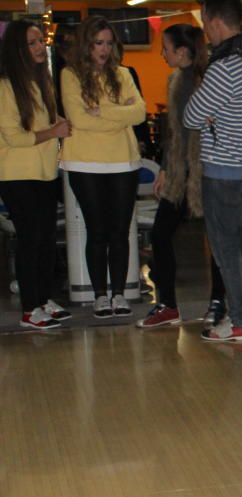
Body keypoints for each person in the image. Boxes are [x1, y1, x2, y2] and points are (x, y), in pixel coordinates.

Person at [184, 0, 242, 342]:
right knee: (239, 245)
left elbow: (190, 116)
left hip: (223, 169)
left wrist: (208, 113)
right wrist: (210, 113)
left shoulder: (224, 66)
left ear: (215, 23)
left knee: (226, 249)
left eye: (205, 23)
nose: (205, 31)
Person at [136, 24, 222, 328]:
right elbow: (175, 133)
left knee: (216, 239)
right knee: (162, 235)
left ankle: (217, 303)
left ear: (182, 52)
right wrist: (165, 169)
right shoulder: (177, 80)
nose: (162, 53)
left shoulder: (203, 80)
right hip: (181, 172)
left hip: (204, 171)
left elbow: (198, 132)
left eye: (167, 48)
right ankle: (170, 304)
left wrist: (180, 170)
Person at [61, 16, 146, 318]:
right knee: (96, 231)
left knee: (119, 232)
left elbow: (138, 113)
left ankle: (119, 294)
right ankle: (99, 295)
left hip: (123, 160)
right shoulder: (70, 75)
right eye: (99, 43)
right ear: (87, 44)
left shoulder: (123, 74)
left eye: (109, 43)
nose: (105, 49)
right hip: (84, 162)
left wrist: (102, 111)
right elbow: (79, 119)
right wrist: (116, 113)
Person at [0, 20, 73, 330]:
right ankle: (30, 309)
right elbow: (14, 137)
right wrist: (54, 131)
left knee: (45, 240)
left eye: (40, 41)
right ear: (18, 50)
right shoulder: (5, 86)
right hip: (17, 175)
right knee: (32, 240)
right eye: (31, 43)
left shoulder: (41, 84)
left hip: (43, 172)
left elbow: (51, 119)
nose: (40, 47)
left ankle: (43, 299)